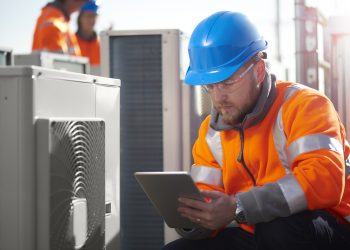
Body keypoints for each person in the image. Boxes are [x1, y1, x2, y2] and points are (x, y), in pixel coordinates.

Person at [163, 11, 350, 250]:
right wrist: (197, 220)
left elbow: (324, 180)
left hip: (330, 227)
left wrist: (239, 207)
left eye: (227, 82)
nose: (218, 96)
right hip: (256, 230)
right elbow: (207, 196)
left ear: (259, 71)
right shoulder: (211, 133)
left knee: (278, 229)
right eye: (210, 85)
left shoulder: (305, 106)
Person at [76, 0, 101, 66]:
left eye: (94, 16)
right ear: (80, 17)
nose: (91, 20)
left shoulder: (101, 45)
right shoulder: (70, 42)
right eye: (88, 16)